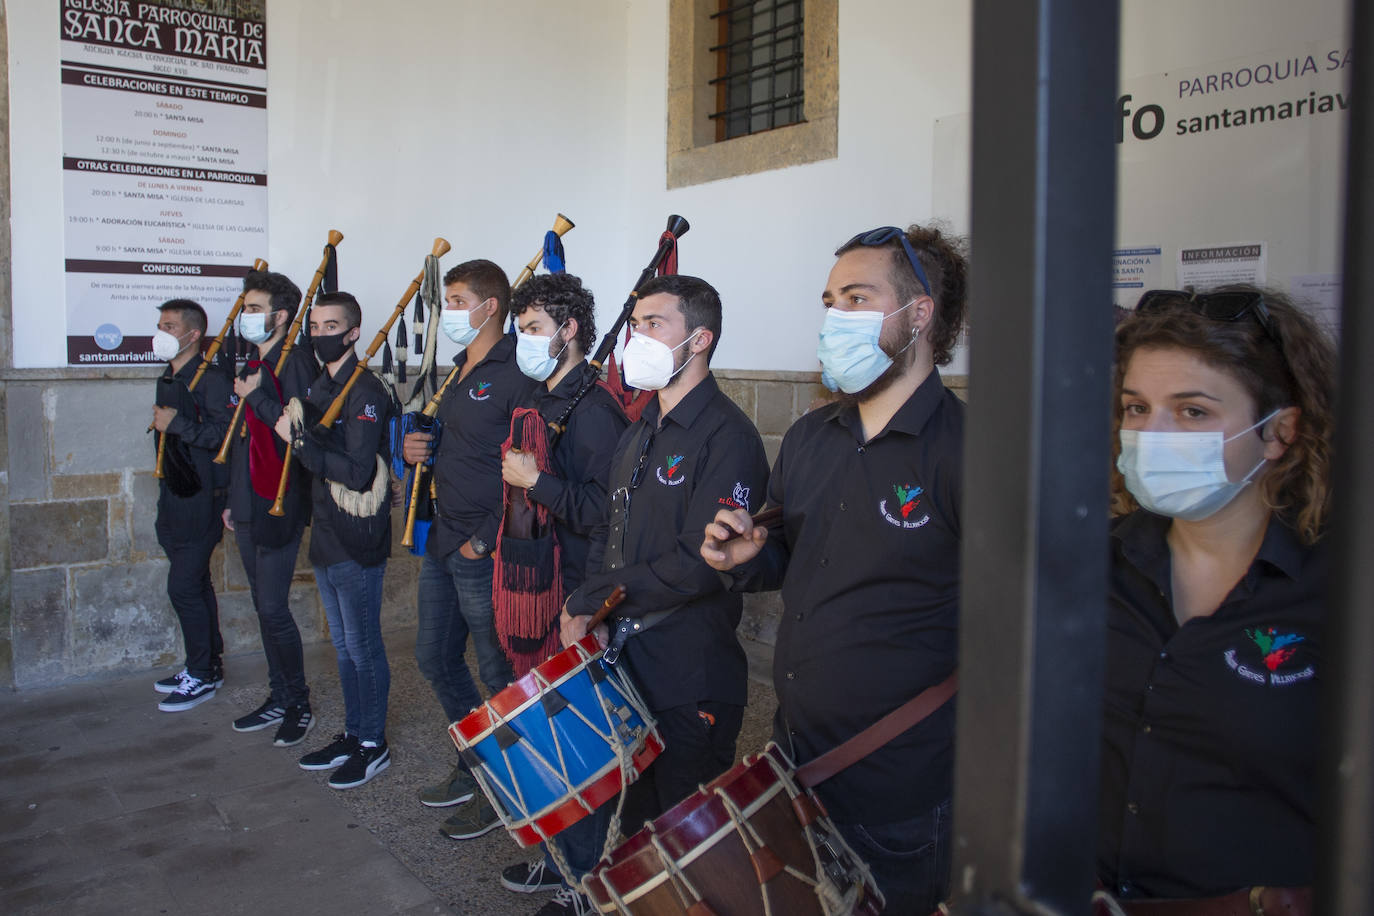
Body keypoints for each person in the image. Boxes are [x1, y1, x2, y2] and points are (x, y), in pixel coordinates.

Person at [702, 224, 970, 915]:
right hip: (794, 753)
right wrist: (746, 557)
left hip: (901, 783)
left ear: (918, 316)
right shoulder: (810, 436)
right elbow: (788, 553)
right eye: (830, 301)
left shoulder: (969, 453)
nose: (834, 319)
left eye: (856, 298)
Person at [1096, 286, 1333, 909]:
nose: (1153, 434)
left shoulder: (1335, 596)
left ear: (1279, 432)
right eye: (1136, 408)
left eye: (1193, 412)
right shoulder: (1091, 570)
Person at [553, 274, 770, 916]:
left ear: (699, 340)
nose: (634, 337)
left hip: (689, 675)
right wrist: (590, 600)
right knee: (643, 825)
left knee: (688, 845)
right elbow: (608, 532)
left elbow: (699, 567)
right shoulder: (640, 425)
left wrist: (600, 597)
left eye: (653, 324)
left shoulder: (728, 438)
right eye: (634, 323)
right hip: (631, 661)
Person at [495, 274, 628, 901]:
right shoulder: (542, 397)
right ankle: (560, 856)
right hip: (536, 582)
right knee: (546, 735)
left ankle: (587, 881)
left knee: (577, 745)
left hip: (570, 592)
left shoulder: (595, 411)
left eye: (533, 330)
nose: (523, 341)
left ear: (569, 331)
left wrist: (535, 482)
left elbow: (604, 512)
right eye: (521, 329)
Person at [400, 259, 538, 839]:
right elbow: (462, 450)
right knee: (434, 656)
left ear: (491, 307)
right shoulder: (459, 370)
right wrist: (419, 452)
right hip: (443, 540)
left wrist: (486, 539)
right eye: (447, 300)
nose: (448, 312)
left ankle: (513, 786)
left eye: (457, 300)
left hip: (482, 548)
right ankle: (479, 765)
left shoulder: (517, 372)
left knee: (497, 671)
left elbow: (525, 464)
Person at [275, 292, 396, 789]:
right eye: (316, 325)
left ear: (352, 333)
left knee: (363, 646)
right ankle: (353, 731)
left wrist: (300, 443)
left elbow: (358, 470)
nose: (320, 334)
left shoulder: (363, 391)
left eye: (332, 326)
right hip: (325, 535)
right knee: (344, 647)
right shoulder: (319, 388)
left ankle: (373, 744)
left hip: (356, 536)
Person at [225, 270, 319, 747]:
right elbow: (241, 439)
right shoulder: (252, 361)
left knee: (272, 607)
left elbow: (295, 433)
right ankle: (279, 694)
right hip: (247, 500)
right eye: (246, 307)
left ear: (281, 316)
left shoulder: (296, 362)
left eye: (256, 308)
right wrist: (231, 500)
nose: (247, 316)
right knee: (263, 609)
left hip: (280, 501)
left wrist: (255, 395)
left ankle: (297, 701)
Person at [150, 298, 233, 712]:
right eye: (160, 325)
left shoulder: (214, 379)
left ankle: (200, 675)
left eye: (169, 326)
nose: (161, 333)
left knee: (182, 587)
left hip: (203, 498)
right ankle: (207, 665)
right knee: (196, 585)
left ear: (193, 334)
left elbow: (225, 435)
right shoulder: (169, 375)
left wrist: (176, 424)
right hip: (174, 495)